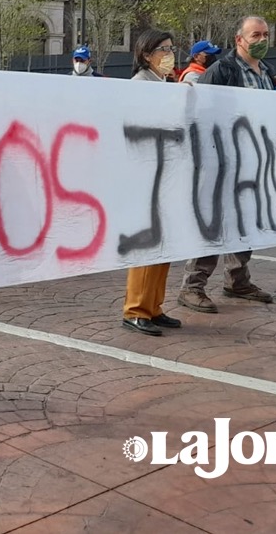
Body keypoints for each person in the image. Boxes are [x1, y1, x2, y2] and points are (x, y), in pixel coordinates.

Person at [179, 16, 276, 313]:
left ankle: (237, 280)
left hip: (256, 159)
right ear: (239, 40)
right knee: (214, 223)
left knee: (246, 221)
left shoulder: (267, 73)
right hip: (223, 159)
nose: (262, 40)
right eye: (255, 35)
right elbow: (200, 114)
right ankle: (192, 287)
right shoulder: (222, 70)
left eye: (265, 34)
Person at [121, 28, 185, 337]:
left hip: (166, 173)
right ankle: (136, 309)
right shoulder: (140, 86)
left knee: (164, 245)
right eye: (163, 49)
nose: (169, 54)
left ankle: (154, 306)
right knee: (148, 243)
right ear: (147, 54)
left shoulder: (164, 84)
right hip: (147, 174)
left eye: (171, 48)